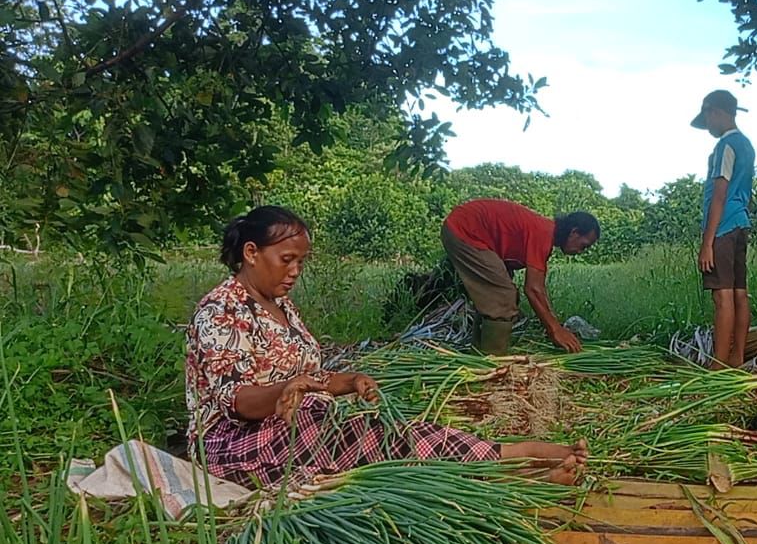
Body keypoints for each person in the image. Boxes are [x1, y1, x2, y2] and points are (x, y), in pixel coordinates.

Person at [186, 206, 588, 488]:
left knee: (390, 429)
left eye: (301, 263)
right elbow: (239, 403)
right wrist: (291, 390)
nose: (295, 272)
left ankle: (508, 454)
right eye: (287, 259)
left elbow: (308, 377)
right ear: (251, 253)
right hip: (234, 440)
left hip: (297, 419)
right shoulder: (221, 311)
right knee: (360, 443)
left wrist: (350, 380)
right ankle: (509, 477)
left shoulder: (281, 306)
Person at [441, 199, 598, 355]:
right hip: (464, 230)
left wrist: (554, 324)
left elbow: (536, 289)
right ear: (574, 232)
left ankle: (478, 353)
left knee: (498, 296)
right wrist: (555, 329)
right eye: (583, 245)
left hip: (465, 228)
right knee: (502, 297)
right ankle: (492, 363)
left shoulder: (543, 232)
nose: (580, 251)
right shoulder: (543, 233)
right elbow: (534, 289)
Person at [691, 89, 755, 368]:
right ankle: (737, 356)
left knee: (723, 295)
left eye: (707, 119)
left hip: (723, 227)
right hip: (741, 223)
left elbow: (719, 193)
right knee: (740, 292)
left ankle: (718, 363)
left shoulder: (724, 147)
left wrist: (707, 243)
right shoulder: (747, 145)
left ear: (715, 112)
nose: (708, 127)